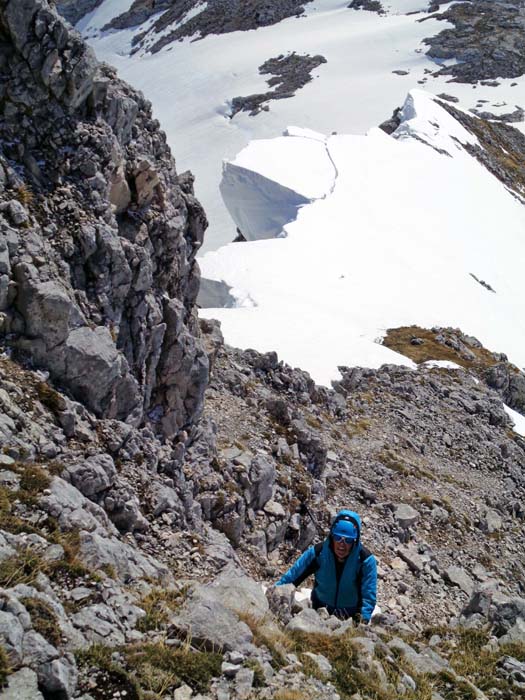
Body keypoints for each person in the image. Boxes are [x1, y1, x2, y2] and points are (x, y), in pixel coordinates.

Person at [276, 509, 377, 623]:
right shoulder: (318, 553)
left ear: (355, 540)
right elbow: (292, 577)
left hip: (349, 619)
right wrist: (274, 593)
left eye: (348, 540)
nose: (341, 544)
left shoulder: (365, 560)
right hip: (319, 613)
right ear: (332, 536)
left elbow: (368, 597)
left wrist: (362, 622)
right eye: (338, 537)